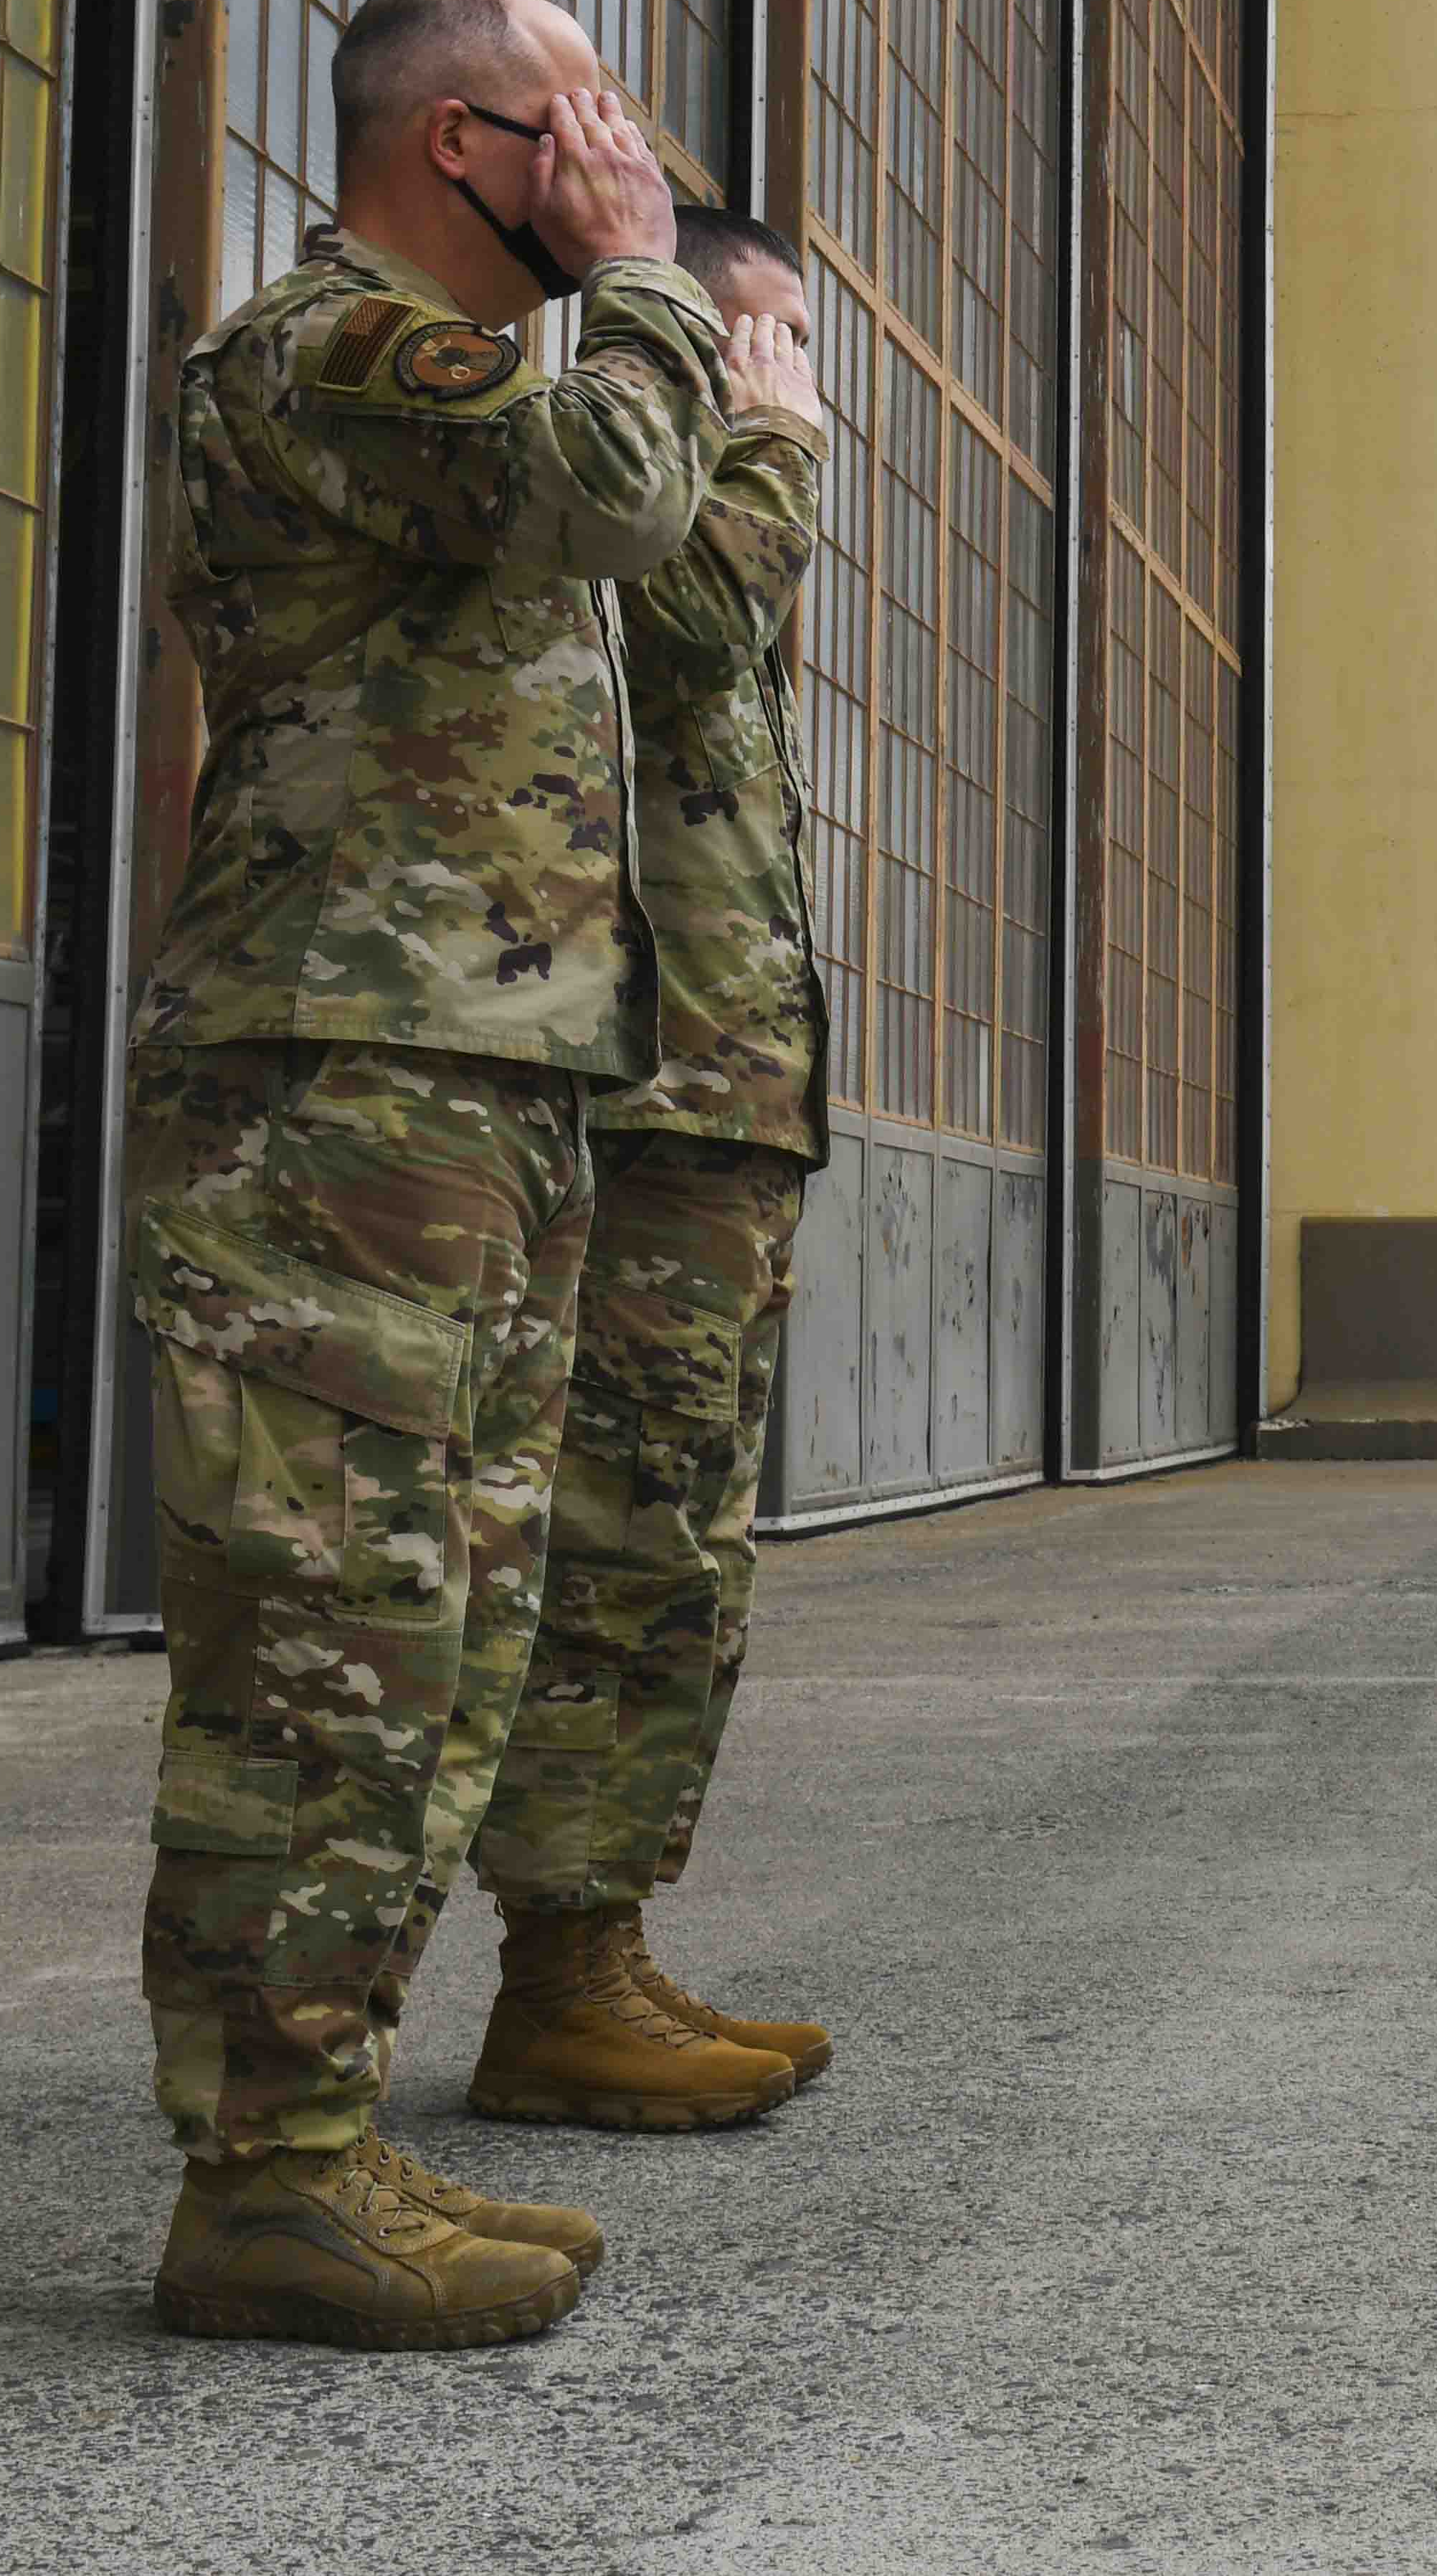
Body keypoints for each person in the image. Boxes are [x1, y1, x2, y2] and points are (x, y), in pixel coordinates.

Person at [128, 0, 759, 2349]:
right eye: (585, 117)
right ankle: (265, 2179)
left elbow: (658, 556)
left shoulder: (509, 374)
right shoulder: (327, 350)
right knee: (329, 1642)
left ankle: (324, 2145)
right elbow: (611, 494)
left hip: (473, 1085)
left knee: (445, 1635)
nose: (630, 158)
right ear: (459, 147)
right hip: (331, 1086)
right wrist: (666, 291)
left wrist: (640, 321)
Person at [459, 205, 836, 2126]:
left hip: (719, 1115)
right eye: (745, 337)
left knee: (678, 1552)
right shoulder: (638, 504)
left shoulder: (708, 504)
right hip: (645, 1109)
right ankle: (559, 1982)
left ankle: (596, 1954)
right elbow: (682, 627)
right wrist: (761, 441)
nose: (783, 380)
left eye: (786, 350)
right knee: (616, 1548)